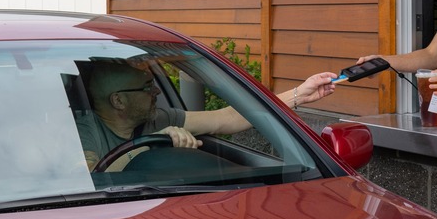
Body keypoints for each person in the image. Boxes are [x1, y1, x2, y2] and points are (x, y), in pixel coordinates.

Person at [76, 61, 337, 170]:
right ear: (118, 100)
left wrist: (299, 95)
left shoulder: (159, 118)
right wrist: (151, 144)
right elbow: (91, 180)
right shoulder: (82, 132)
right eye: (146, 87)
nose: (156, 90)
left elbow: (228, 118)